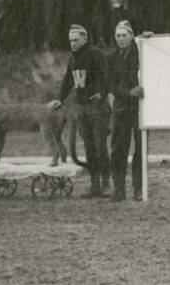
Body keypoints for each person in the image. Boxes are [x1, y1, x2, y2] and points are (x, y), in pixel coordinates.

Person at [48, 24, 111, 198]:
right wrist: (59, 99)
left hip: (97, 107)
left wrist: (102, 93)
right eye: (70, 40)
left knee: (100, 146)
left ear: (85, 38)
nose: (73, 43)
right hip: (82, 107)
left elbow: (107, 76)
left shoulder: (96, 54)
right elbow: (68, 80)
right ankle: (94, 185)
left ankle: (106, 184)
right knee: (89, 147)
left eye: (76, 40)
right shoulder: (73, 59)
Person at [106, 20, 146, 202]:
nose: (121, 39)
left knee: (140, 148)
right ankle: (119, 189)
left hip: (140, 108)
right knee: (118, 149)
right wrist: (128, 92)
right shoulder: (111, 57)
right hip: (122, 107)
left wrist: (149, 40)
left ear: (131, 36)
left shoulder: (142, 52)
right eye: (118, 36)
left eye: (124, 35)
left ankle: (138, 188)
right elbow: (110, 84)